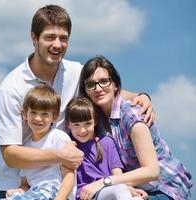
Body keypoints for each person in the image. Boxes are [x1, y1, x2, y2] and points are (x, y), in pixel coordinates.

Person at [0, 5, 154, 199]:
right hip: (23, 188)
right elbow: (10, 155)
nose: (57, 44)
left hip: (66, 185)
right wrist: (61, 155)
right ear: (34, 38)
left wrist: (141, 96)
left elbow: (103, 90)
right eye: (49, 37)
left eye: (63, 38)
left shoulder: (74, 72)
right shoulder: (11, 88)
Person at [78, 55, 193, 200]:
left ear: (115, 84)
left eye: (104, 82)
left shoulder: (132, 115)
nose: (98, 88)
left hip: (164, 188)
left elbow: (152, 171)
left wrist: (104, 183)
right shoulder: (95, 121)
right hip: (133, 188)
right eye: (91, 85)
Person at [65, 97, 148, 200]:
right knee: (120, 190)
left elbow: (117, 173)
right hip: (87, 196)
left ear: (94, 121)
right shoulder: (69, 144)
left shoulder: (107, 142)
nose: (82, 130)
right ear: (68, 124)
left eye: (87, 123)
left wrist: (129, 188)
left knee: (137, 198)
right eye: (76, 125)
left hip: (110, 189)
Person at [5, 84, 75, 200]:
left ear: (55, 116)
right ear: (24, 114)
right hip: (35, 192)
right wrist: (18, 191)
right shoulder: (25, 147)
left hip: (54, 191)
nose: (38, 118)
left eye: (44, 114)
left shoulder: (58, 138)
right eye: (33, 112)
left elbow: (69, 176)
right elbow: (26, 183)